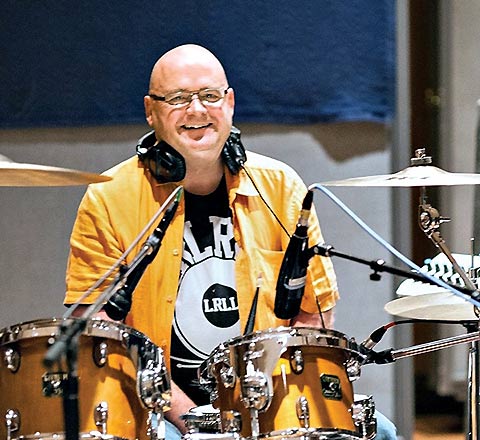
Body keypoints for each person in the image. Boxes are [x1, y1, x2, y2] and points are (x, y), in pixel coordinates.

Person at [64, 44, 396, 439]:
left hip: (265, 399)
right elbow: (96, 325)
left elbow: (313, 313)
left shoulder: (280, 187)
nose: (197, 111)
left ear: (231, 103)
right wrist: (185, 414)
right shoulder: (108, 197)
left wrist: (268, 401)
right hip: (155, 407)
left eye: (209, 96)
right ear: (150, 111)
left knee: (381, 431)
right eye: (178, 99)